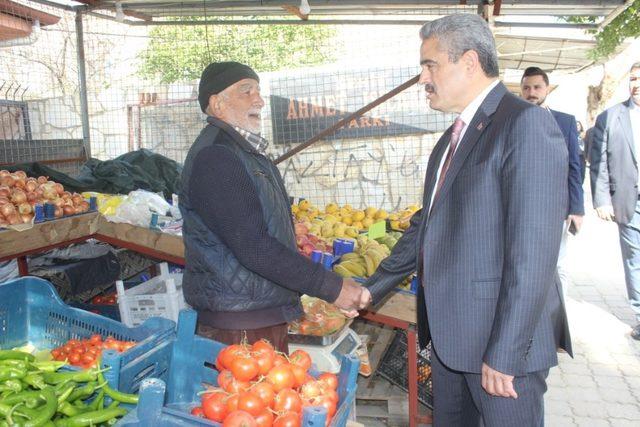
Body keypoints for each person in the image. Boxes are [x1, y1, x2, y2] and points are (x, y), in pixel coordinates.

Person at [364, 14, 572, 426]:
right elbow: (427, 226)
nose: (423, 77)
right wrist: (370, 289)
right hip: (449, 342)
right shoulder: (450, 139)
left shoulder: (524, 125)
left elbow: (534, 254)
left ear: (470, 62)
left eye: (431, 65)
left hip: (499, 350)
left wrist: (505, 353)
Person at [179, 61, 370, 352]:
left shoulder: (246, 152)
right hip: (239, 327)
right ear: (216, 103)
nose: (259, 100)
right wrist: (333, 288)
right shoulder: (217, 157)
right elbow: (253, 246)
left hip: (255, 315)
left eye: (258, 90)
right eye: (246, 91)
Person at [520, 66, 585, 301]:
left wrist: (577, 208)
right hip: (522, 208)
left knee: (558, 264)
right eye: (526, 88)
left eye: (537, 87)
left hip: (556, 208)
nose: (531, 92)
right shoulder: (512, 121)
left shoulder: (565, 122)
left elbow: (575, 167)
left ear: (547, 89)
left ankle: (560, 317)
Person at [590, 62, 640, 340]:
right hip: (628, 200)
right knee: (635, 259)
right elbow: (599, 161)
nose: (636, 84)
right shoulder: (612, 116)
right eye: (633, 79)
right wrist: (601, 199)